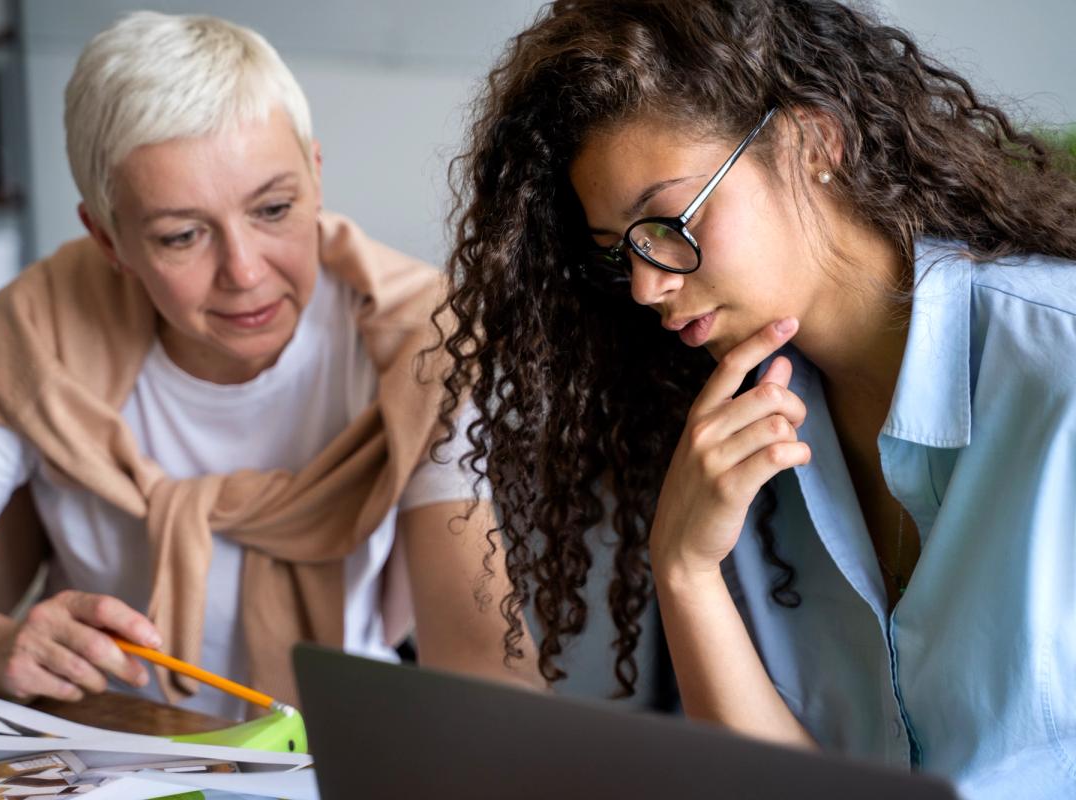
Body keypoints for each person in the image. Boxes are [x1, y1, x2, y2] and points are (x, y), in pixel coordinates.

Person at [433, 0, 1076, 796]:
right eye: (620, 253)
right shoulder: (733, 440)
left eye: (666, 220)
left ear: (813, 143)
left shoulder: (1060, 369)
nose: (646, 287)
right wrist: (685, 570)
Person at [0, 10, 540, 721]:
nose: (245, 272)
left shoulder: (416, 336)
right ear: (108, 239)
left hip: (343, 738)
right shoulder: (44, 333)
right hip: (106, 741)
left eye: (274, 209)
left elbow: (476, 647)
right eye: (182, 235)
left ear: (315, 178)